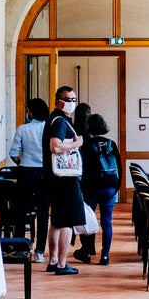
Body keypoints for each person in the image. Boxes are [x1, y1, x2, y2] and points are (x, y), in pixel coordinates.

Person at [42, 83, 85, 275]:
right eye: (68, 99)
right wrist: (77, 144)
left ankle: (53, 261)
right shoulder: (59, 121)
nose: (72, 103)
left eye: (74, 99)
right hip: (64, 179)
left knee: (57, 221)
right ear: (58, 101)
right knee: (67, 221)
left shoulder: (54, 119)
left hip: (53, 178)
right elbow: (55, 146)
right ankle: (61, 263)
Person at [75, 111, 122, 264]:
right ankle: (105, 256)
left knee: (88, 218)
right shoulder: (111, 144)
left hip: (91, 189)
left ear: (89, 127)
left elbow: (82, 169)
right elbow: (119, 167)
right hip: (110, 188)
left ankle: (87, 251)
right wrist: (116, 187)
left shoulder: (86, 144)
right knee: (107, 222)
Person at [8, 95, 49, 259]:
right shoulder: (49, 129)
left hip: (26, 172)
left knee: (20, 210)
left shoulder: (22, 129)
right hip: (45, 173)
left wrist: (21, 163)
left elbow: (13, 153)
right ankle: (40, 251)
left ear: (30, 112)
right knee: (43, 213)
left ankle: (20, 249)